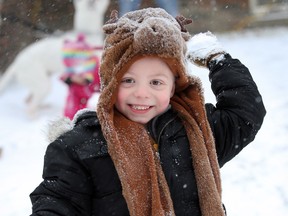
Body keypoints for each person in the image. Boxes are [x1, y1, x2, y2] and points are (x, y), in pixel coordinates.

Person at [30, 8, 266, 216]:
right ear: (110, 83)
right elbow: (58, 200)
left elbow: (245, 112)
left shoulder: (198, 131)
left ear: (174, 85)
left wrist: (218, 60)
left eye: (156, 82)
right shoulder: (79, 147)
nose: (141, 94)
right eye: (128, 80)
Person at [60, 33, 100, 119]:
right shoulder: (73, 67)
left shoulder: (91, 63)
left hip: (88, 89)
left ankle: (76, 118)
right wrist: (70, 78)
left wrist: (82, 79)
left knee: (78, 102)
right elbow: (65, 75)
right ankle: (72, 117)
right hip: (78, 94)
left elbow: (87, 78)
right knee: (74, 100)